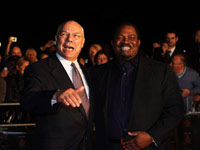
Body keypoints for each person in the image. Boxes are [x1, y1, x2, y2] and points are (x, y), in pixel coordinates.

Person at [90, 22, 184, 150]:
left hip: (148, 147)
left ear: (138, 43)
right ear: (112, 43)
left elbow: (175, 109)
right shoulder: (97, 74)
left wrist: (151, 135)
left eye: (131, 38)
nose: (126, 41)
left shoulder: (161, 71)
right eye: (120, 37)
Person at [20, 20, 94, 150]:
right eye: (64, 34)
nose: (69, 39)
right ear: (56, 39)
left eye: (76, 36)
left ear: (82, 42)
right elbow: (28, 100)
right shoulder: (38, 69)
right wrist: (55, 95)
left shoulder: (89, 73)